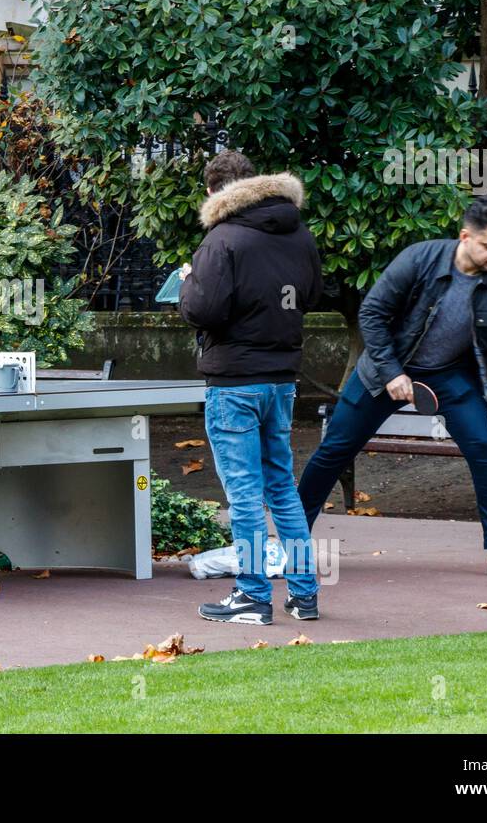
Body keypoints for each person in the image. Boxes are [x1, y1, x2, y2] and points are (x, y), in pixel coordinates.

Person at [297, 194, 487, 581]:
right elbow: (372, 313)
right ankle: (292, 540)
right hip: (387, 369)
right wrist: (391, 372)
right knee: (334, 450)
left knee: (485, 449)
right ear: (465, 237)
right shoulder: (419, 259)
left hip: (451, 375)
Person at [179, 151, 325, 625]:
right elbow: (312, 295)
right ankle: (304, 595)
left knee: (243, 495)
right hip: (281, 379)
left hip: (234, 380)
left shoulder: (223, 239)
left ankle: (251, 595)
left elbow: (204, 310)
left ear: (213, 191)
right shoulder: (299, 233)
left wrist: (187, 283)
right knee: (282, 488)